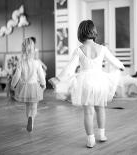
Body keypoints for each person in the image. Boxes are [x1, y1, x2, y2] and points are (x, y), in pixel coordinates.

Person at [49, 20, 125, 148]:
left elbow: (69, 68)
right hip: (100, 81)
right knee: (101, 109)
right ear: (93, 32)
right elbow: (114, 61)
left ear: (80, 33)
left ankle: (90, 139)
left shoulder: (79, 50)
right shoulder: (102, 48)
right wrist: (121, 66)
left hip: (85, 82)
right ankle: (102, 134)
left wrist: (58, 79)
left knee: (88, 112)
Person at [11, 38, 46, 132]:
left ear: (23, 50)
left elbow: (16, 76)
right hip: (34, 87)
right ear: (34, 50)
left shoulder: (20, 63)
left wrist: (13, 84)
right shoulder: (37, 63)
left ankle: (28, 117)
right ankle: (32, 118)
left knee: (27, 106)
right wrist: (43, 84)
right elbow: (41, 75)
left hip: (24, 87)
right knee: (34, 106)